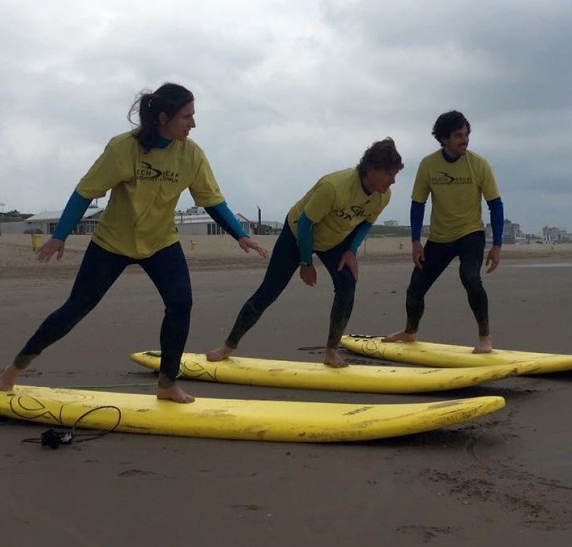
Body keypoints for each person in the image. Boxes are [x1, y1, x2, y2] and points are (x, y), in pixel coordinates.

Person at [0, 83, 268, 403]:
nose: (193, 124)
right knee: (75, 309)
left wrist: (240, 234)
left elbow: (212, 200)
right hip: (112, 242)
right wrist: (59, 235)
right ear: (163, 118)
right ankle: (16, 367)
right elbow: (85, 192)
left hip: (161, 242)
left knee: (180, 304)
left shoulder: (191, 154)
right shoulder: (123, 148)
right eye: (186, 116)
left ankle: (167, 384)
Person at [207, 138, 404, 368]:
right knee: (269, 291)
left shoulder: (383, 195)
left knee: (347, 285)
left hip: (335, 241)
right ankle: (228, 347)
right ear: (371, 170)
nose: (393, 180)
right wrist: (306, 262)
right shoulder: (334, 187)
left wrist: (351, 250)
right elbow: (304, 224)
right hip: (297, 234)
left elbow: (366, 223)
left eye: (395, 174)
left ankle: (331, 351)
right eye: (389, 174)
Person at [384, 110, 503, 353]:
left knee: (470, 278)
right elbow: (418, 204)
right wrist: (415, 241)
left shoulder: (479, 165)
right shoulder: (429, 165)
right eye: (459, 135)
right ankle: (410, 332)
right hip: (440, 237)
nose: (465, 140)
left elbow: (495, 205)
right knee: (415, 288)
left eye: (466, 134)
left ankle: (485, 338)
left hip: (471, 233)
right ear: (443, 139)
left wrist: (497, 245)